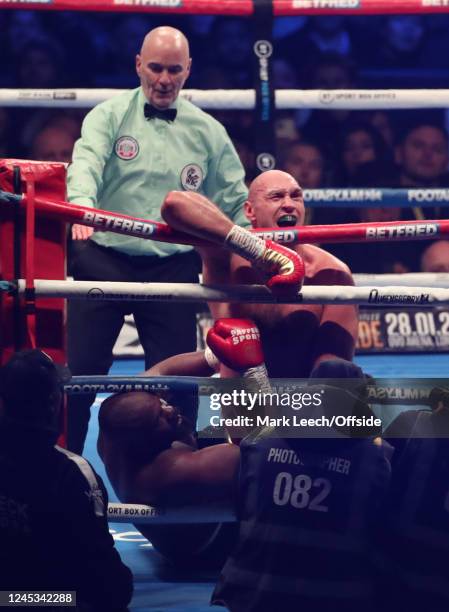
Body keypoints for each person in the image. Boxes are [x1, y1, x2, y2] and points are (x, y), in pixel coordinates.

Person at [66, 25, 249, 454]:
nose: (163, 80)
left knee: (179, 386)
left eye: (173, 70)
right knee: (79, 374)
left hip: (172, 262)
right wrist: (82, 207)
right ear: (137, 65)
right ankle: (63, 466)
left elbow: (235, 199)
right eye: (154, 68)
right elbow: (86, 162)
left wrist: (257, 250)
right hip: (102, 257)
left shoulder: (207, 131)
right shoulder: (108, 115)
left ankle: (181, 476)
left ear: (188, 71)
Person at [161, 169, 358, 378]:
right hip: (245, 401)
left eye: (296, 196)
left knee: (337, 372)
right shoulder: (227, 262)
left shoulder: (329, 273)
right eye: (276, 196)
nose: (289, 204)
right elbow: (174, 204)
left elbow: (333, 361)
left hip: (308, 399)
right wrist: (258, 251)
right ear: (249, 211)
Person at [0, 349, 133, 610]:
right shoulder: (72, 473)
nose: (170, 411)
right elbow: (109, 583)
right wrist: (215, 363)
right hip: (51, 601)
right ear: (54, 401)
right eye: (164, 410)